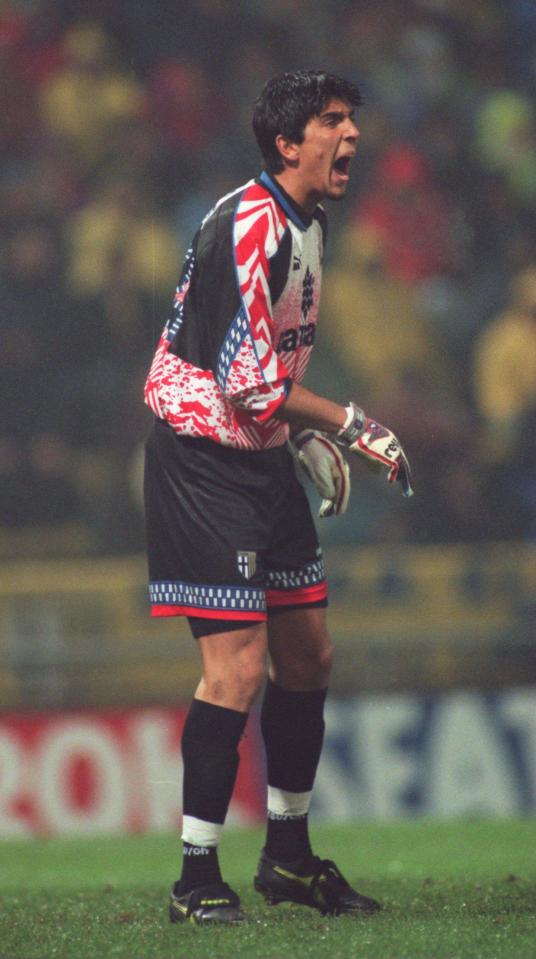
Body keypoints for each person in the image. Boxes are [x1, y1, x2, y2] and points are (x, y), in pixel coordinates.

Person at [143, 70, 412, 926]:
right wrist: (347, 423)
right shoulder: (248, 224)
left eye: (351, 121)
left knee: (310, 655)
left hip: (257, 449)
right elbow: (246, 378)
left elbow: (262, 370)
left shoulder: (309, 221)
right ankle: (195, 878)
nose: (351, 136)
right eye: (332, 122)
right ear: (287, 144)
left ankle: (289, 859)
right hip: (202, 459)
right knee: (237, 669)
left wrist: (297, 436)